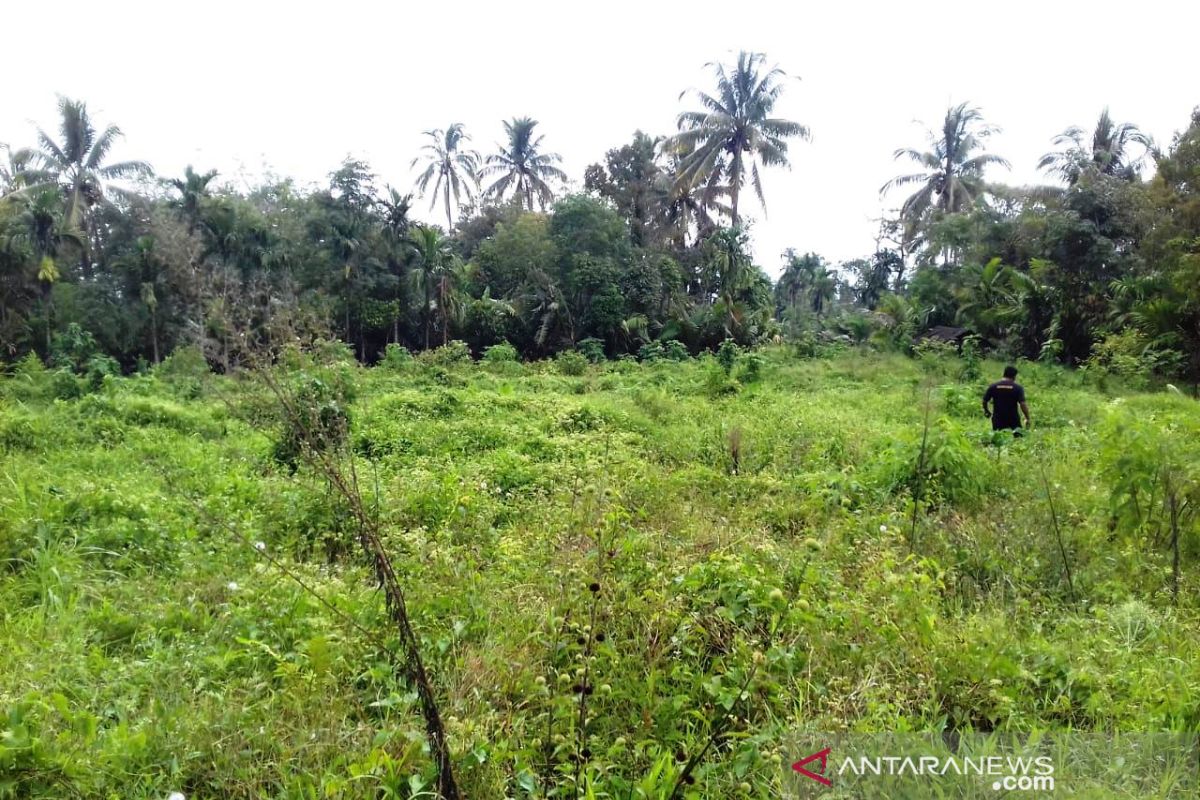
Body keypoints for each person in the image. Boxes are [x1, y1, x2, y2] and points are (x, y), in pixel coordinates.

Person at [982, 365, 1031, 434]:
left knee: (999, 437)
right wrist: (1027, 417)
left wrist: (986, 411)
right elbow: (1022, 404)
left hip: (998, 418)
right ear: (1014, 376)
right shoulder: (1017, 388)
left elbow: (985, 401)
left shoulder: (993, 386)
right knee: (1017, 439)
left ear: (1004, 374)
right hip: (1013, 418)